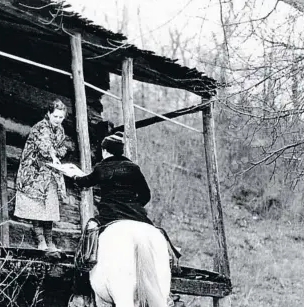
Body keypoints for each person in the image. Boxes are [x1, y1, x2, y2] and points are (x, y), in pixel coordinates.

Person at [66, 132, 181, 270]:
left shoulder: (101, 168)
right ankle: (171, 259)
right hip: (135, 213)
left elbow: (85, 182)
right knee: (158, 232)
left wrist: (72, 176)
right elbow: (146, 195)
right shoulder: (133, 168)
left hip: (110, 214)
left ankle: (87, 261)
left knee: (91, 227)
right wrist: (134, 205)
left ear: (105, 150)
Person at [13, 99, 69, 251]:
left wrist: (58, 153)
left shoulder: (60, 130)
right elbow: (45, 146)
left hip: (50, 173)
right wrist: (53, 155)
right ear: (49, 114)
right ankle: (41, 241)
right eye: (55, 116)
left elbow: (63, 146)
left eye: (61, 117)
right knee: (36, 206)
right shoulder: (41, 127)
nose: (58, 120)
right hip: (34, 174)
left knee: (50, 206)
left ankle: (50, 242)